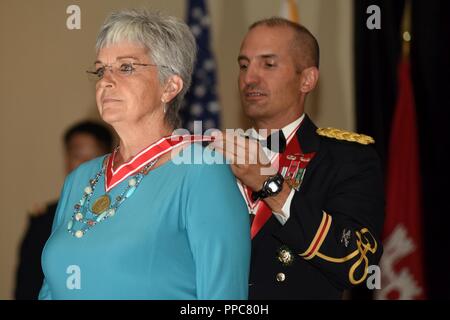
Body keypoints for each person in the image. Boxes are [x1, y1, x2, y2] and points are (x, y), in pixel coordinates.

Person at [38, 9, 250, 300]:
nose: (105, 82)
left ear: (169, 86)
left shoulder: (202, 172)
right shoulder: (80, 178)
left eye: (126, 68)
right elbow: (51, 290)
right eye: (101, 70)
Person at [211, 17, 384, 299]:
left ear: (307, 79)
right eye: (244, 65)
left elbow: (357, 262)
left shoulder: (346, 158)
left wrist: (272, 187)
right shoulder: (214, 154)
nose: (249, 78)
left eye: (268, 64)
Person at [15, 120, 113, 300]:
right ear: (66, 159)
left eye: (93, 157)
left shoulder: (120, 213)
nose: (85, 165)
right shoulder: (44, 220)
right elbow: (27, 286)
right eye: (77, 155)